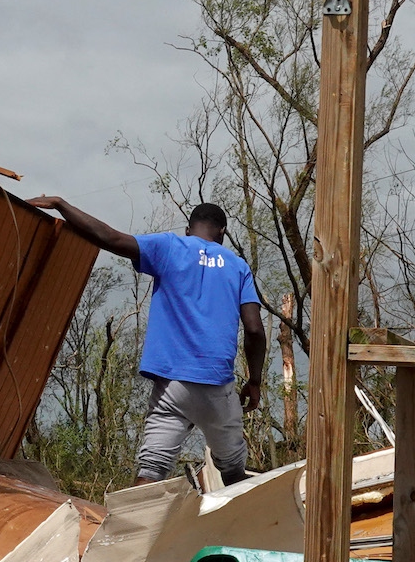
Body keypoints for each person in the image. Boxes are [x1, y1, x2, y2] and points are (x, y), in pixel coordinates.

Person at [28, 196, 265, 486]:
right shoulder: (238, 266)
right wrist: (254, 380)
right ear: (223, 232)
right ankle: (241, 524)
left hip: (172, 387)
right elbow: (254, 329)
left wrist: (61, 205)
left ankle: (133, 529)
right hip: (218, 385)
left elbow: (108, 236)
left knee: (151, 471)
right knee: (233, 472)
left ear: (188, 230)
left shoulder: (170, 247)